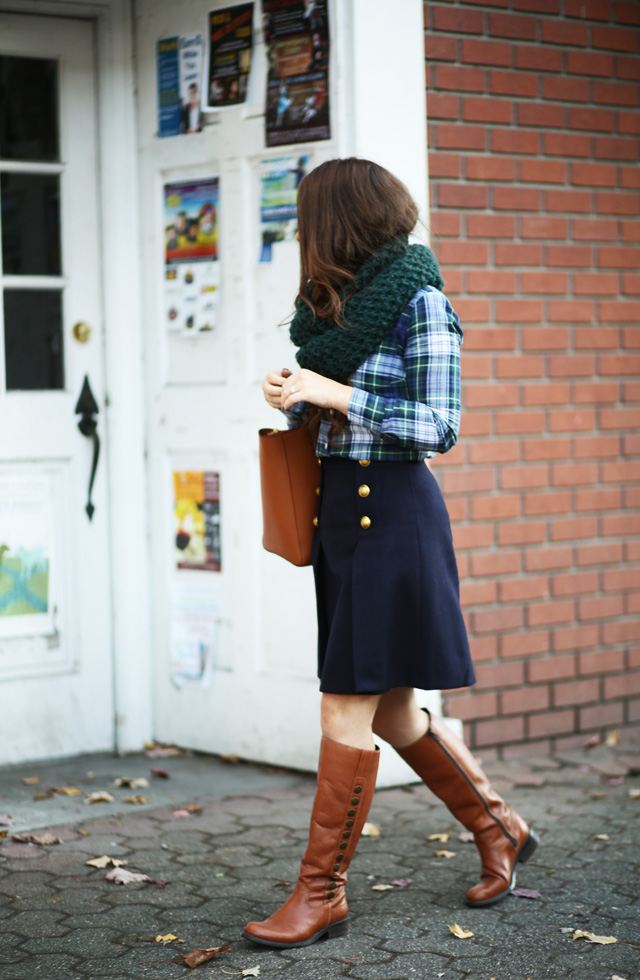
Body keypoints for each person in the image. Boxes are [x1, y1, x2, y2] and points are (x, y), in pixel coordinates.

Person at [244, 158, 539, 950]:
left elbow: (439, 426)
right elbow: (335, 412)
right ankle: (498, 825)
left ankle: (321, 893)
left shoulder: (421, 301)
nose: (300, 235)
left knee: (345, 701)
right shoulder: (330, 310)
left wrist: (332, 392)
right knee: (397, 707)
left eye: (309, 221)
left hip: (396, 514)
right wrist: (290, 394)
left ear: (341, 221)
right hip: (341, 511)